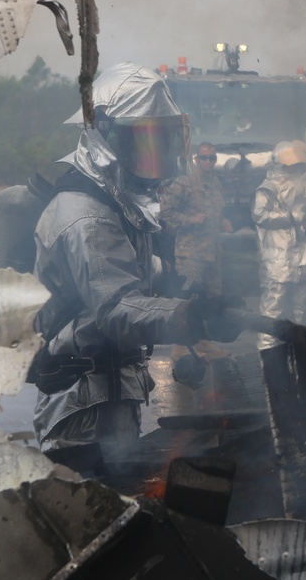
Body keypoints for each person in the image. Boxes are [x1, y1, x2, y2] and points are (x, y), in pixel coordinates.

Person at [31, 63, 232, 475]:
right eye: (143, 143)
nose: (153, 157)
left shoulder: (116, 202)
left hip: (112, 391)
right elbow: (117, 309)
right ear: (105, 137)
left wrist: (184, 289)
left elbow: (137, 273)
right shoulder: (86, 215)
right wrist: (186, 316)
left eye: (160, 142)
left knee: (124, 510)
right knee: (92, 516)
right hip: (82, 406)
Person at [252, 140, 306, 350]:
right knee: (272, 311)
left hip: (303, 260)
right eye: (288, 166)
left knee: (302, 312)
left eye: (296, 166)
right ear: (278, 165)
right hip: (276, 259)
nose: (292, 170)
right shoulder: (268, 188)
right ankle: (267, 358)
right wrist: (290, 217)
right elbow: (259, 215)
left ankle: (302, 358)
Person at [159, 142, 234, 358]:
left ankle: (202, 342)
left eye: (212, 158)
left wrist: (225, 221)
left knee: (210, 300)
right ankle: (180, 346)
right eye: (204, 158)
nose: (208, 162)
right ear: (196, 159)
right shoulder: (184, 183)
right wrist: (189, 220)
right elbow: (165, 211)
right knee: (187, 300)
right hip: (190, 253)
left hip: (211, 252)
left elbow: (218, 211)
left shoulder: (216, 183)